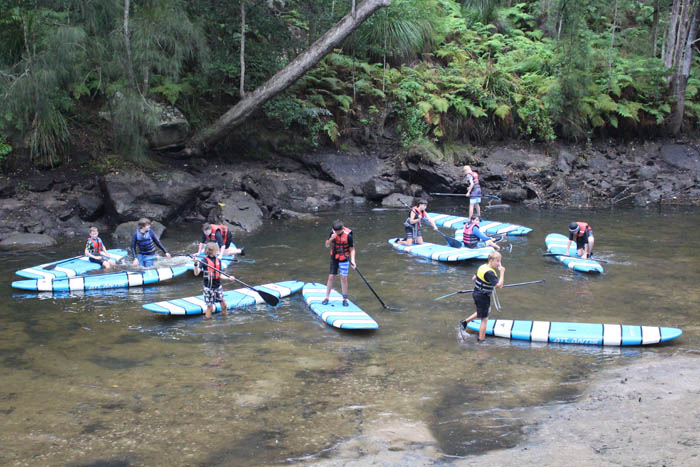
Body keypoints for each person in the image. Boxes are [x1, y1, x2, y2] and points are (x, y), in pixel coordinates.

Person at [460, 251, 505, 342]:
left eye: (500, 261)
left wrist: (484, 283)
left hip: (477, 293)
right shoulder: (490, 273)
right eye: (497, 261)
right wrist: (502, 272)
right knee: (484, 319)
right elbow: (499, 285)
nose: (499, 263)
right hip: (482, 296)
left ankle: (464, 322)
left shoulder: (482, 267)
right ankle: (481, 340)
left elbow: (474, 277)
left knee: (487, 310)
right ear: (491, 260)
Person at [192, 242, 235, 319]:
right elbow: (196, 273)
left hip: (218, 287)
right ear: (212, 251)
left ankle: (224, 320)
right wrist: (195, 264)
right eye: (217, 250)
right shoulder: (204, 261)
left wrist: (229, 278)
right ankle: (207, 323)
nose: (218, 251)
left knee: (224, 306)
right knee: (210, 308)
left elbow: (220, 275)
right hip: (208, 288)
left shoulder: (218, 261)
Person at [322, 220, 356, 307]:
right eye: (335, 231)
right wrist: (331, 239)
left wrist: (353, 261)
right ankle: (327, 297)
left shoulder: (348, 236)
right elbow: (326, 245)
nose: (336, 233)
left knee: (344, 278)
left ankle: (344, 299)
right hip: (334, 257)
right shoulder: (332, 233)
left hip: (344, 258)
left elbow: (352, 249)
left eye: (338, 232)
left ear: (342, 229)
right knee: (331, 277)